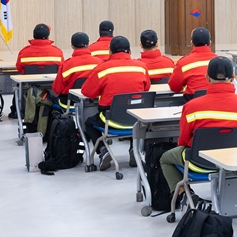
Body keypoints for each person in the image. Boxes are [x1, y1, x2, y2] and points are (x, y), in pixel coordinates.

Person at [160, 57, 237, 207]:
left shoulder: (192, 106)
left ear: (206, 77)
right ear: (233, 78)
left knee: (165, 158)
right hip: (235, 163)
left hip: (199, 163)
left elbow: (184, 141)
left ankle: (184, 196)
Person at [81, 36, 151, 170]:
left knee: (89, 122)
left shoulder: (102, 69)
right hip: (136, 120)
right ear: (130, 52)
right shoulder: (142, 68)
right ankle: (133, 150)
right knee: (132, 112)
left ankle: (103, 151)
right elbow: (146, 89)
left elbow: (87, 92)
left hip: (111, 120)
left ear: (110, 52)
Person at [52, 32, 101, 110]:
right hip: (94, 103)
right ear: (88, 45)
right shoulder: (100, 63)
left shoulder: (66, 65)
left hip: (70, 104)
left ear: (72, 45)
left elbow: (57, 89)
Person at [168, 27, 216, 100]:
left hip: (192, 104)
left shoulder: (183, 63)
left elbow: (174, 87)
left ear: (191, 43)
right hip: (215, 104)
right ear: (210, 42)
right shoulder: (219, 61)